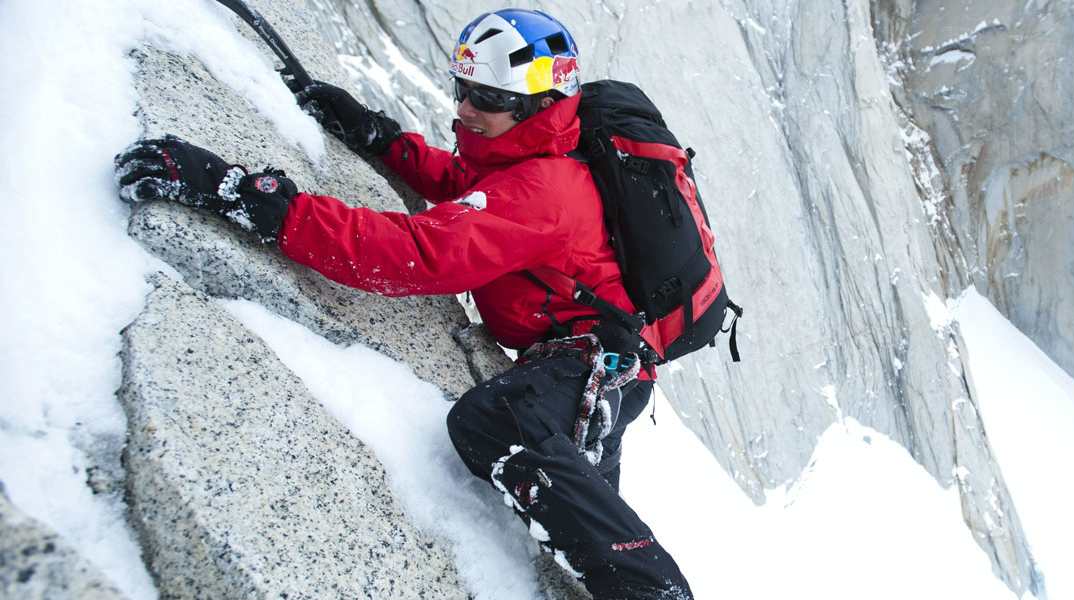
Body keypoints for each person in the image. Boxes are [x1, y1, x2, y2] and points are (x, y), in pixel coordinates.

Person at [114, 8, 693, 600]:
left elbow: (414, 253)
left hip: (591, 367)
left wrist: (259, 201)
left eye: (486, 97)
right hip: (604, 361)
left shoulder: (545, 192)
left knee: (497, 423)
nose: (464, 109)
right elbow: (470, 188)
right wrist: (375, 134)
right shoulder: (533, 157)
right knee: (592, 536)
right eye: (464, 89)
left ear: (534, 105)